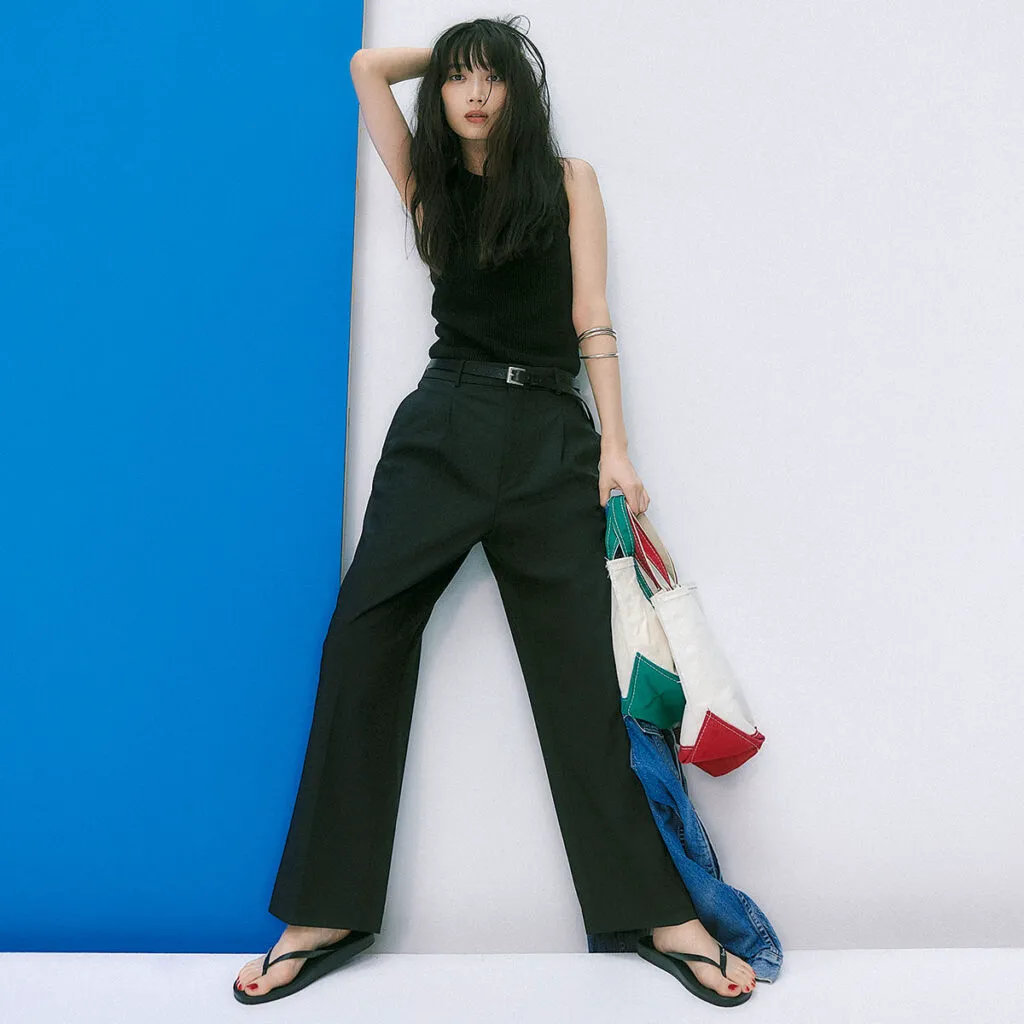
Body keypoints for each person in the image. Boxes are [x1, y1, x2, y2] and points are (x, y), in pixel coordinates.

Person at [233, 16, 756, 1006]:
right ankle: (326, 910)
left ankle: (658, 911)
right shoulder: (429, 183)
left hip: (552, 434)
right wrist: (458, 47)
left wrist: (615, 449)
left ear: (520, 92)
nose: (474, 93)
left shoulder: (568, 181)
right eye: (460, 77)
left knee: (583, 676)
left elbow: (591, 316)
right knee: (361, 640)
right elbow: (365, 66)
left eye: (494, 77)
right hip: (445, 425)